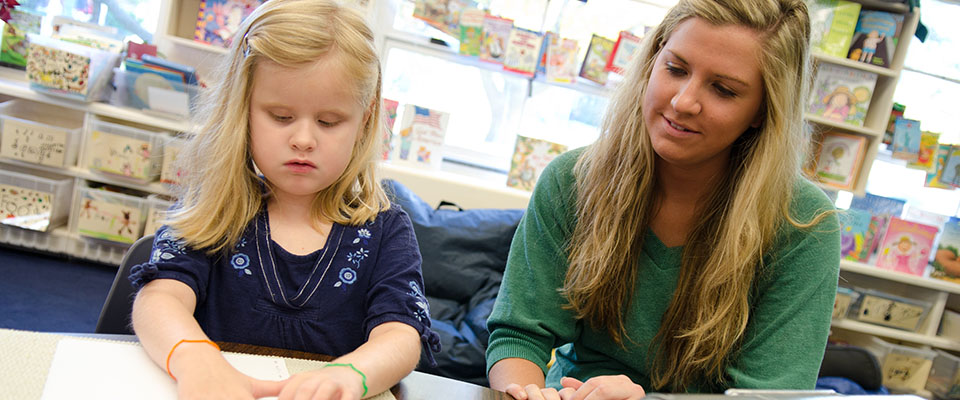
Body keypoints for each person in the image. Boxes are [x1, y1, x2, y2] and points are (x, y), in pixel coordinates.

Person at [485, 0, 841, 398]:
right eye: (675, 69)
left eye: (723, 90)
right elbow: (520, 333)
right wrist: (528, 393)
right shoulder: (571, 180)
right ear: (652, 61)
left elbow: (770, 393)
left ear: (762, 110)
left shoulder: (803, 224)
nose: (683, 102)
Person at [128, 1, 438, 399]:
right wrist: (194, 360)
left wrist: (353, 374)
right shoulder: (215, 207)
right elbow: (160, 298)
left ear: (364, 119)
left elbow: (401, 333)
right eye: (280, 116)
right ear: (243, 110)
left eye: (328, 122)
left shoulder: (387, 231)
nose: (304, 139)